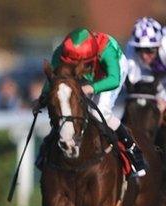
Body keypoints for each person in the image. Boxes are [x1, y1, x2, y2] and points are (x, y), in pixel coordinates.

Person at [35, 28, 146, 177]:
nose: (82, 71)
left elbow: (114, 79)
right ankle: (49, 145)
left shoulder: (107, 51)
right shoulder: (60, 53)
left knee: (99, 113)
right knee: (71, 109)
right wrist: (42, 98)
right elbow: (53, 81)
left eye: (83, 65)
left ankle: (132, 149)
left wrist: (91, 87)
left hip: (111, 72)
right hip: (92, 70)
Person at [125, 17, 166, 112]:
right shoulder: (131, 48)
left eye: (149, 50)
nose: (144, 56)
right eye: (139, 50)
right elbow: (134, 83)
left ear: (159, 45)